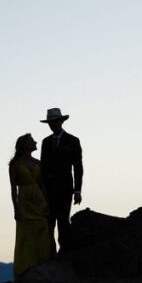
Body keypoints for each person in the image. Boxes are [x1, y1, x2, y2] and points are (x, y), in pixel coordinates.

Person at [9, 133, 56, 277]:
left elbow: (42, 183)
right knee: (26, 233)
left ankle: (43, 262)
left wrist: (47, 202)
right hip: (24, 200)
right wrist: (16, 208)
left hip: (38, 198)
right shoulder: (15, 165)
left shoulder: (38, 163)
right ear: (25, 145)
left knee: (43, 228)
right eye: (32, 141)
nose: (35, 142)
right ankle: (26, 267)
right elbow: (13, 189)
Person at [39, 107, 83, 250]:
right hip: (48, 190)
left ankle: (65, 252)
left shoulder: (73, 141)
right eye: (50, 123)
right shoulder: (45, 142)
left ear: (60, 122)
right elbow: (43, 167)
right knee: (49, 223)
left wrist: (77, 190)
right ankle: (50, 253)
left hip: (65, 189)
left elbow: (78, 167)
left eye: (55, 122)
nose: (52, 125)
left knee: (63, 222)